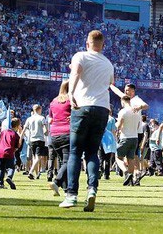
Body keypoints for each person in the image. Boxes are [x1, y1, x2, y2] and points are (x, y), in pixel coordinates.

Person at [60, 30, 116, 212]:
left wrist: (71, 93)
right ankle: (92, 190)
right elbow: (110, 83)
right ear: (103, 45)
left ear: (87, 43)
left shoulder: (80, 56)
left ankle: (71, 195)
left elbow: (75, 74)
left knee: (75, 152)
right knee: (92, 152)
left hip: (83, 106)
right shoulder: (108, 63)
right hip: (102, 109)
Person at [48, 81, 72, 197]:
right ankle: (57, 181)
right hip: (67, 133)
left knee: (63, 162)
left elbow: (50, 119)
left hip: (54, 134)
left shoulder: (53, 101)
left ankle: (66, 190)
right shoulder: (71, 100)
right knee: (68, 161)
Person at [116, 95, 141, 186]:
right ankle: (130, 179)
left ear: (122, 102)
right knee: (131, 158)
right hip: (135, 138)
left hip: (125, 137)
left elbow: (119, 125)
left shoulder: (123, 111)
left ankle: (126, 172)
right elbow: (138, 126)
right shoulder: (137, 112)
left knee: (118, 157)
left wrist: (118, 127)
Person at [22, 104, 48, 180]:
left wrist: (20, 138)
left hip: (31, 140)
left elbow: (24, 129)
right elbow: (45, 129)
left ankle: (36, 174)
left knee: (34, 157)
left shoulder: (29, 119)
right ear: (40, 109)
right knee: (38, 157)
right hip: (40, 139)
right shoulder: (42, 118)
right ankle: (30, 172)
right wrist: (46, 132)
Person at [0, 118, 21, 190]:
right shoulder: (15, 134)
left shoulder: (3, 131)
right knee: (11, 167)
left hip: (0, 151)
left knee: (1, 168)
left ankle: (0, 184)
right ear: (17, 126)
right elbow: (17, 146)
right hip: (9, 152)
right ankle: (9, 177)